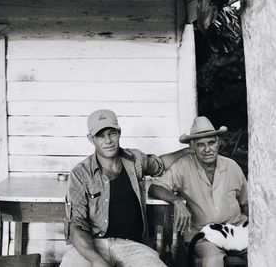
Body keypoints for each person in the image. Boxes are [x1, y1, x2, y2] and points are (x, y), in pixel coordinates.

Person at [60, 109, 191, 267]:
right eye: (100, 135)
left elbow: (160, 164)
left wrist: (189, 150)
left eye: (111, 133)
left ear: (119, 133)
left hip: (133, 247)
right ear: (91, 139)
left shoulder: (134, 160)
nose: (108, 140)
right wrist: (97, 261)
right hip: (94, 246)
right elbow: (76, 227)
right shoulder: (80, 174)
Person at [148, 116, 248, 267]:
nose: (207, 149)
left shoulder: (232, 166)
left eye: (211, 143)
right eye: (200, 145)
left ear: (218, 142)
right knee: (213, 259)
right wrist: (177, 201)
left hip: (236, 230)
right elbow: (154, 187)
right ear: (192, 147)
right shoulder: (183, 166)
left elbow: (246, 204)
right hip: (203, 236)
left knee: (265, 250)